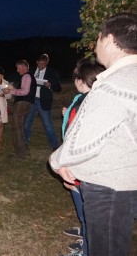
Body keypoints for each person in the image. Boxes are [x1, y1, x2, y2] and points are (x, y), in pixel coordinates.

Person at [50, 13, 137, 256]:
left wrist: (57, 161)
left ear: (110, 40)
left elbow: (84, 140)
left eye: (98, 37)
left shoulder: (115, 85)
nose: (97, 43)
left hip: (109, 187)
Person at [58, 59, 105, 256]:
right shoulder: (83, 98)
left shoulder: (90, 102)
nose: (74, 79)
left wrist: (67, 166)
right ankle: (85, 235)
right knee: (83, 209)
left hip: (81, 168)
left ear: (81, 79)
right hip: (77, 166)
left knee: (87, 211)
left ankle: (86, 249)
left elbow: (79, 138)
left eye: (76, 76)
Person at [23, 53, 62, 151]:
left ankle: (54, 146)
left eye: (44, 63)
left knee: (48, 124)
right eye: (40, 63)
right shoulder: (31, 71)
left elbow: (58, 88)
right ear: (37, 62)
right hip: (31, 101)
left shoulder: (52, 72)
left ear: (47, 62)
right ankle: (24, 143)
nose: (41, 66)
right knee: (27, 123)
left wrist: (50, 85)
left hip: (43, 101)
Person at [3, 60, 36, 159]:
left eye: (18, 68)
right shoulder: (28, 76)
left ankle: (20, 153)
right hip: (26, 103)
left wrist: (10, 91)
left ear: (24, 67)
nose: (17, 70)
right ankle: (24, 150)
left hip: (22, 103)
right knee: (20, 128)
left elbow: (25, 91)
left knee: (16, 128)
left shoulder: (26, 76)